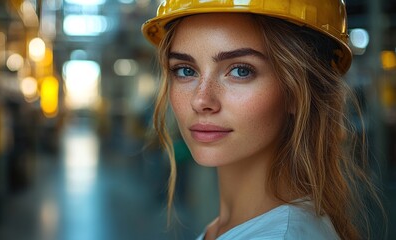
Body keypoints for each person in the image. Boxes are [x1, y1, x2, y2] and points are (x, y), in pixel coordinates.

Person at [141, 0, 384, 239]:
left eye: (240, 71)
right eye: (185, 70)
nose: (200, 100)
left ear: (298, 92)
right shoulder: (239, 227)